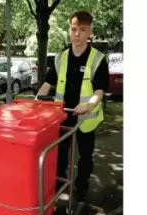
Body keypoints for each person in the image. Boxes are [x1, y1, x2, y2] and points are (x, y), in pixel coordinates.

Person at [36, 11, 109, 203]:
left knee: (85, 155)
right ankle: (59, 186)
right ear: (69, 30)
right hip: (62, 116)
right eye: (74, 29)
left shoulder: (98, 59)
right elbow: (47, 83)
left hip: (85, 118)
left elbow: (99, 91)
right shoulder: (61, 58)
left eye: (82, 30)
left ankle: (81, 189)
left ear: (90, 32)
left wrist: (88, 105)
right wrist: (37, 101)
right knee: (60, 152)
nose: (77, 34)